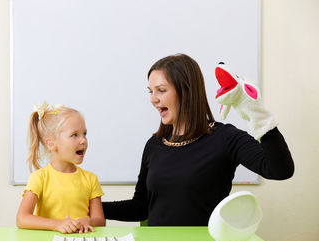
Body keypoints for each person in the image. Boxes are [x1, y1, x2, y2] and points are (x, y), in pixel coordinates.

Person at [102, 54, 294, 226]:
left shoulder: (225, 138)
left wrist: (258, 116)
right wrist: (85, 207)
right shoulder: (155, 145)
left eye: (161, 90)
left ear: (186, 91)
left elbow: (280, 170)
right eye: (150, 91)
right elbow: (140, 207)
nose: (153, 99)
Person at [16, 103, 105, 233]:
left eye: (84, 134)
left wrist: (88, 221)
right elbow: (22, 218)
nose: (83, 140)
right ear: (51, 143)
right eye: (74, 135)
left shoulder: (91, 179)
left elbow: (99, 220)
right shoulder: (39, 178)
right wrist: (57, 224)